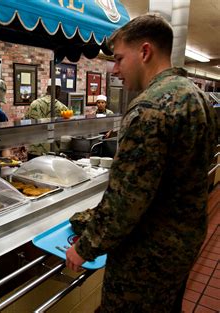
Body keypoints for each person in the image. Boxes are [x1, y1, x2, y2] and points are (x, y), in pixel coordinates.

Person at [65, 13, 218, 312]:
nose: (115, 69)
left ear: (145, 51)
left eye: (120, 59)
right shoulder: (197, 97)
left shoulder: (149, 108)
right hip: (183, 244)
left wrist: (85, 247)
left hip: (147, 256)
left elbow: (127, 199)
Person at [25, 78, 68, 157]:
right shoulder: (62, 107)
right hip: (52, 152)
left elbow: (25, 125)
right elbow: (66, 131)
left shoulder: (34, 104)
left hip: (34, 151)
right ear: (58, 90)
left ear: (47, 89)